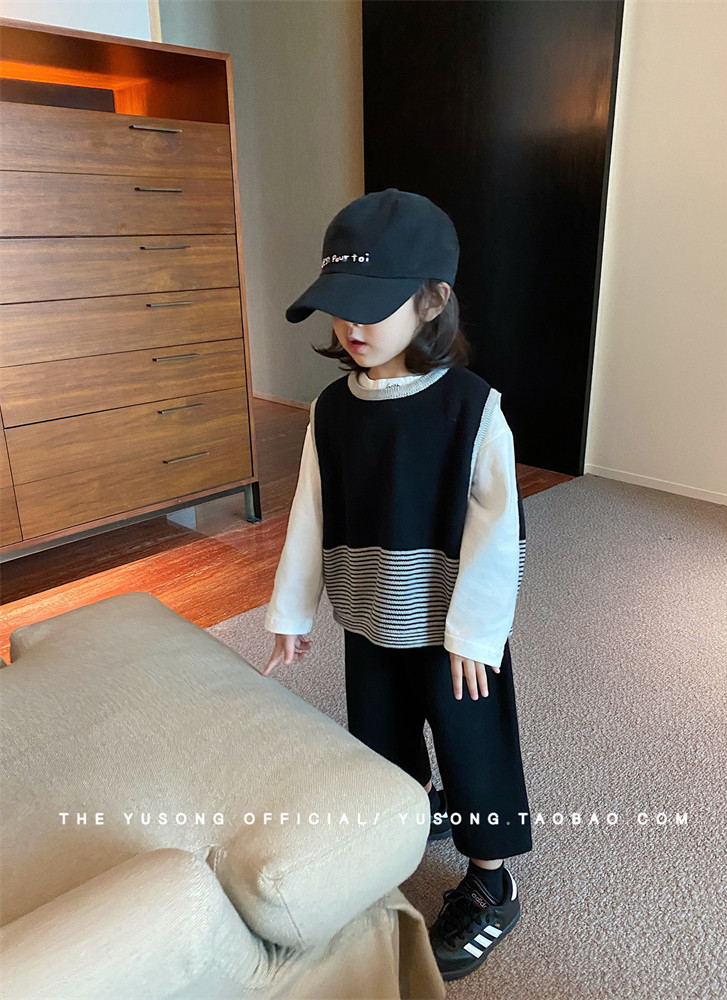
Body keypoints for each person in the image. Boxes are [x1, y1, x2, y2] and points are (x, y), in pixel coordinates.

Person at [262, 187, 532, 982]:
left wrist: (477, 633)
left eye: (373, 304)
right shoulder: (331, 410)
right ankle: (410, 812)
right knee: (379, 742)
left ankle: (491, 883)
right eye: (339, 303)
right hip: (370, 615)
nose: (351, 324)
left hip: (454, 631)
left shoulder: (471, 408)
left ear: (433, 301)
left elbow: (498, 530)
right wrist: (291, 612)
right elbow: (310, 513)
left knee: (473, 746)